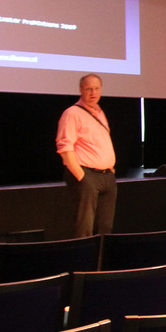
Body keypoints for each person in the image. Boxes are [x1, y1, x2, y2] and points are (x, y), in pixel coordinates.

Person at [57, 73, 116, 237]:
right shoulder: (72, 113)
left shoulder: (99, 112)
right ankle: (83, 255)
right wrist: (81, 176)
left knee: (105, 227)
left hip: (107, 176)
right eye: (89, 89)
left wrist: (110, 169)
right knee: (84, 227)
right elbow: (65, 147)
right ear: (81, 90)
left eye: (96, 88)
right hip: (87, 175)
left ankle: (102, 255)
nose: (93, 93)